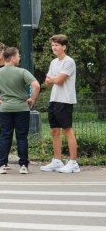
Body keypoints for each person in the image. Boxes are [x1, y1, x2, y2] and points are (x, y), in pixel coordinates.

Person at [0, 46, 39, 175]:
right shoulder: (22, 72)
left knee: (5, 136)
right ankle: (23, 165)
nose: (19, 58)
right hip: (22, 108)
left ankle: (1, 164)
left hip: (5, 108)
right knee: (22, 137)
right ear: (13, 58)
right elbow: (36, 85)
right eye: (18, 56)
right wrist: (32, 99)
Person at [41, 34, 80, 173]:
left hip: (65, 100)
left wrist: (54, 79)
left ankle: (73, 163)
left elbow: (58, 80)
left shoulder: (69, 62)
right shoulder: (53, 62)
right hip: (54, 99)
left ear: (64, 46)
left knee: (67, 130)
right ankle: (57, 161)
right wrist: (53, 79)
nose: (54, 47)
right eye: (52, 45)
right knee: (54, 130)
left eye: (57, 45)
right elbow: (47, 80)